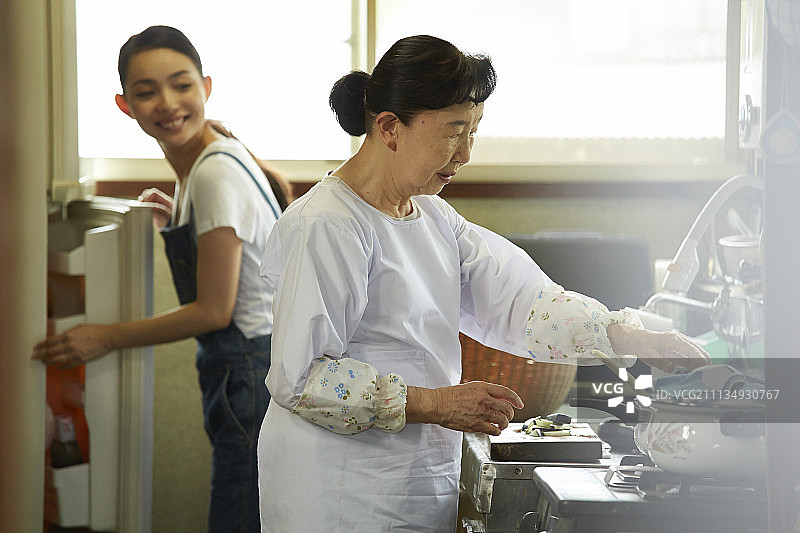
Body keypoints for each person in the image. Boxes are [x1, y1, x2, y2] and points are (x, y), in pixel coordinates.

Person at [256, 34, 710, 532]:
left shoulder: (432, 217)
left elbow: (523, 302)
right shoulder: (328, 224)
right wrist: (438, 403)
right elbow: (302, 378)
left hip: (414, 480)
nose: (466, 153)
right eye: (454, 132)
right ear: (389, 127)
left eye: (473, 131)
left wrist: (631, 337)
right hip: (338, 492)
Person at [33, 25, 289, 533]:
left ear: (206, 87)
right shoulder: (211, 156)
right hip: (251, 365)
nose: (168, 103)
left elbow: (214, 310)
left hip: (247, 368)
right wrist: (179, 217)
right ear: (125, 105)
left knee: (236, 517)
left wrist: (105, 337)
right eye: (147, 91)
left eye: (181, 85)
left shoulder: (213, 173)